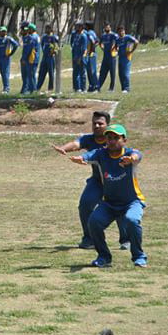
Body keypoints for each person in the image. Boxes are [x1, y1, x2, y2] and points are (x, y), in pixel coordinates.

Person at [68, 123, 147, 268]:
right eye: (109, 138)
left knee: (131, 219)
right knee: (93, 222)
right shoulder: (101, 154)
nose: (111, 141)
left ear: (124, 140)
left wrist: (132, 159)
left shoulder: (129, 153)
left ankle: (139, 256)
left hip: (132, 201)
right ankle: (104, 256)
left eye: (116, 138)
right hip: (109, 203)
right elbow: (88, 155)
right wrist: (81, 158)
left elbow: (138, 155)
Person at [52, 111, 128, 250]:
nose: (97, 126)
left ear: (107, 125)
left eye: (101, 123)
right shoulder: (89, 139)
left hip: (116, 183)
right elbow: (76, 143)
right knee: (85, 204)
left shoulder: (114, 140)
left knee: (120, 209)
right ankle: (89, 239)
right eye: (94, 123)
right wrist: (64, 149)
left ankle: (126, 240)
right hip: (97, 181)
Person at [0, 26, 19, 94]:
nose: (1, 33)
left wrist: (11, 53)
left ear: (5, 32)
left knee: (6, 73)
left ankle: (7, 88)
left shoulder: (8, 39)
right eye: (0, 31)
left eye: (3, 31)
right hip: (0, 58)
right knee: (2, 73)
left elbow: (16, 45)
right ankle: (4, 87)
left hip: (6, 58)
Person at [37, 25, 59, 93]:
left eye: (48, 28)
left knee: (51, 73)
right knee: (41, 72)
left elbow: (57, 46)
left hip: (51, 57)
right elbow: (42, 45)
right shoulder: (44, 37)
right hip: (45, 57)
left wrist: (53, 52)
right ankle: (37, 87)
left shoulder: (53, 37)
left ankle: (50, 88)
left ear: (51, 29)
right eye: (46, 28)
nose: (46, 30)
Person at [117, 26, 139, 94]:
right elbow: (116, 47)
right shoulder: (118, 40)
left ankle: (127, 88)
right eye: (120, 31)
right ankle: (123, 88)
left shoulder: (127, 37)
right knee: (120, 74)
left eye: (122, 31)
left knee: (126, 74)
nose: (121, 32)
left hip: (126, 58)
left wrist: (132, 51)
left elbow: (136, 42)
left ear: (124, 31)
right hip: (120, 58)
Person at [97, 23, 118, 92]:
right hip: (105, 56)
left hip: (112, 57)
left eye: (108, 27)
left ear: (110, 28)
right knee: (102, 72)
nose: (107, 28)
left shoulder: (113, 35)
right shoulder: (103, 35)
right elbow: (100, 43)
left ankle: (111, 88)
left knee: (112, 72)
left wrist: (114, 48)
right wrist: (103, 48)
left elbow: (116, 42)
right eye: (106, 27)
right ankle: (98, 87)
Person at [19, 23, 40, 94]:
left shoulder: (32, 37)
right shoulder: (36, 36)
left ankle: (33, 90)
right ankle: (30, 90)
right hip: (34, 58)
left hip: (31, 58)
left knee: (31, 75)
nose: (28, 31)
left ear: (31, 29)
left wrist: (24, 59)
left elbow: (28, 49)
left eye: (29, 29)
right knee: (31, 75)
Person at [70, 21, 87, 93]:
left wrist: (80, 58)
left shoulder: (84, 36)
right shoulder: (75, 35)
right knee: (75, 72)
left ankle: (83, 88)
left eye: (77, 26)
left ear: (81, 27)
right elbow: (72, 44)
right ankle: (76, 88)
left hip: (81, 57)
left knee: (82, 73)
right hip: (75, 56)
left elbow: (84, 48)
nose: (76, 28)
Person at [85, 22, 99, 92]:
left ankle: (95, 86)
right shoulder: (93, 32)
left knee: (92, 70)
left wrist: (91, 51)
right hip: (91, 53)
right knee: (89, 70)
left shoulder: (89, 33)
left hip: (91, 55)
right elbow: (97, 41)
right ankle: (91, 86)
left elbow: (93, 42)